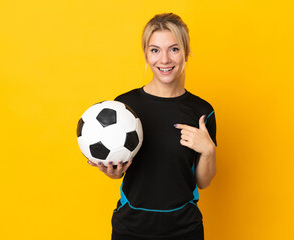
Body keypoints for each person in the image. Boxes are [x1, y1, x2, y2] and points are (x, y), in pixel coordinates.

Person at [88, 13, 217, 240]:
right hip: (131, 228)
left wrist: (208, 151)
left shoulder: (201, 111)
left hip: (184, 229)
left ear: (186, 53)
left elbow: (203, 182)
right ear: (146, 56)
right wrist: (113, 172)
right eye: (155, 50)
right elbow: (122, 168)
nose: (164, 59)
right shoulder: (124, 107)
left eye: (174, 49)